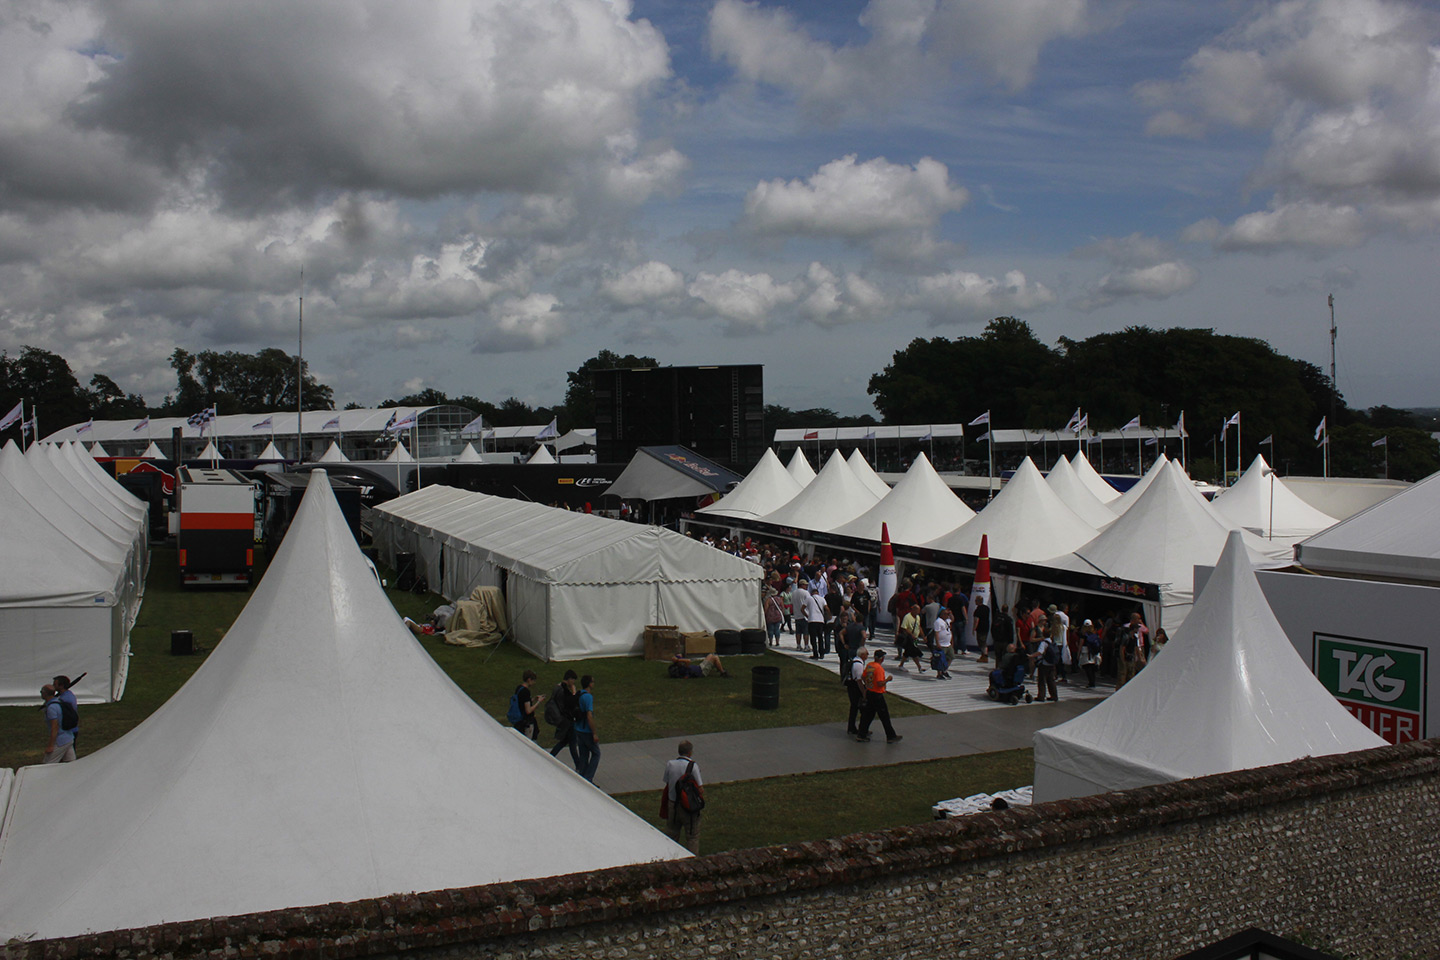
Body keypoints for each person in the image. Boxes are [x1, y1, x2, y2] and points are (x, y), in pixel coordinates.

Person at [662, 740, 704, 854]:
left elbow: (667, 781)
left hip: (673, 805)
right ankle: (692, 862)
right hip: (689, 807)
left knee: (672, 834)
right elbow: (700, 787)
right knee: (692, 837)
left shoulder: (670, 764)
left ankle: (670, 859)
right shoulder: (693, 766)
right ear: (690, 753)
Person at [855, 650, 902, 743]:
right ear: (882, 659)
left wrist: (868, 684)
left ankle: (861, 734)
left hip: (869, 692)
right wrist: (888, 679)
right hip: (877, 695)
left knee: (867, 715)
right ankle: (891, 736)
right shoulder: (879, 668)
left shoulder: (869, 665)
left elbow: (863, 677)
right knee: (884, 716)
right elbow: (880, 683)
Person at [547, 670, 582, 765]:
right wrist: (574, 692)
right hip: (568, 720)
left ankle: (550, 757)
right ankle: (579, 766)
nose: (573, 682)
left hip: (562, 720)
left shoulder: (557, 687)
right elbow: (570, 704)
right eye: (573, 680)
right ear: (569, 679)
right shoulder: (563, 690)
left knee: (565, 742)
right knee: (572, 744)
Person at [40, 684, 76, 763]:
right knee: (70, 764)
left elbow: (54, 727)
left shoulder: (51, 708)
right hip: (69, 737)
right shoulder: (59, 702)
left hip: (60, 741)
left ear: (45, 693)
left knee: (47, 764)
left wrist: (50, 745)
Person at [574, 675, 600, 782]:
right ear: (589, 684)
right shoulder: (588, 697)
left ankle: (582, 777)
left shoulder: (579, 694)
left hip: (578, 728)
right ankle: (588, 778)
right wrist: (594, 733)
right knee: (596, 753)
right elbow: (589, 716)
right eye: (593, 681)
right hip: (586, 730)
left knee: (583, 755)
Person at [1031, 617, 1059, 702]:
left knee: (1041, 681)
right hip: (1052, 664)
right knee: (1051, 680)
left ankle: (1041, 696)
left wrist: (1032, 656)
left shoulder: (1044, 643)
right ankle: (1054, 696)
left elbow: (1040, 652)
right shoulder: (1052, 642)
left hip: (1044, 664)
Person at [512, 669, 545, 740]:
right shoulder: (526, 691)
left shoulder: (519, 688)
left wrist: (533, 699)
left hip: (519, 719)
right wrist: (538, 702)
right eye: (533, 680)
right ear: (529, 679)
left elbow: (523, 702)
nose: (534, 683)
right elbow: (528, 710)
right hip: (526, 722)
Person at [52, 674, 80, 754]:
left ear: (61, 686)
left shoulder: (66, 698)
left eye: (55, 684)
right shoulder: (64, 696)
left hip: (69, 730)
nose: (53, 686)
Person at [845, 643, 868, 736]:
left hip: (851, 687)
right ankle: (862, 729)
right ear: (862, 655)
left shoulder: (854, 661)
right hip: (855, 688)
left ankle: (852, 727)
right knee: (862, 708)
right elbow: (859, 680)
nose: (867, 656)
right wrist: (864, 692)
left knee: (854, 708)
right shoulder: (858, 665)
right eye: (866, 654)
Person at [896, 603, 926, 672]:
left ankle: (901, 665)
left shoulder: (918, 617)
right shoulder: (907, 617)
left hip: (915, 638)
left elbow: (919, 627)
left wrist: (923, 636)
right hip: (909, 638)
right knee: (914, 652)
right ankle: (919, 667)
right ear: (913, 610)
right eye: (917, 610)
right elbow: (904, 627)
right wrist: (911, 635)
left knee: (908, 652)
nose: (918, 612)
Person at [932, 607, 954, 679]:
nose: (946, 615)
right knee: (939, 659)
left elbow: (953, 619)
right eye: (945, 614)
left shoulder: (947, 621)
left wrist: (950, 613)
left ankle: (944, 670)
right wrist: (938, 643)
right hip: (941, 644)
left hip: (948, 643)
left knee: (951, 657)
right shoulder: (938, 622)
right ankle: (939, 673)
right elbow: (936, 633)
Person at [1079, 620, 1101, 688]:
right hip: (1093, 652)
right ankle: (1092, 682)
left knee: (1087, 668)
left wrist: (1078, 654)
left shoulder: (1083, 635)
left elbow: (1080, 645)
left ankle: (1091, 683)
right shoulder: (1094, 634)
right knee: (1092, 668)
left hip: (1086, 652)